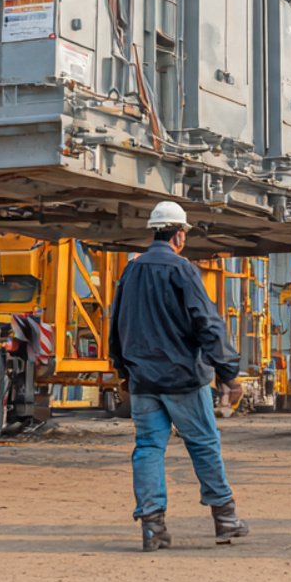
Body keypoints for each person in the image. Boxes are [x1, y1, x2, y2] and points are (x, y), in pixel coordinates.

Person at [109, 200, 249, 551]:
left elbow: (116, 325)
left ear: (155, 231)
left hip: (143, 379)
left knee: (148, 448)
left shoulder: (131, 270)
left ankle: (153, 527)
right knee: (203, 445)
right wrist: (229, 372)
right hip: (183, 378)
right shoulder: (182, 270)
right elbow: (207, 323)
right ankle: (226, 520)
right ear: (180, 235)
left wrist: (123, 370)